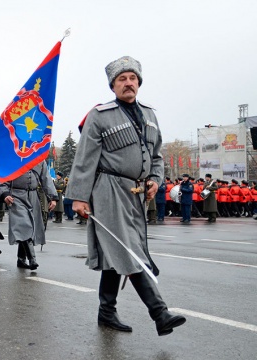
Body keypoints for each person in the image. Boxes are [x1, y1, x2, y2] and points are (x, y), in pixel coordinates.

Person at [68, 56, 186, 336]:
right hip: (108, 189)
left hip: (136, 193)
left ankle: (106, 312)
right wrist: (79, 197)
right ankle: (160, 313)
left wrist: (156, 180)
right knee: (125, 249)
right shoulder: (100, 115)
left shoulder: (150, 114)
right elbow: (84, 159)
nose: (128, 83)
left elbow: (156, 156)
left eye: (132, 78)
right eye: (122, 79)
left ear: (139, 83)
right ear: (113, 85)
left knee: (115, 252)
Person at [0, 161, 57, 270]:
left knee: (28, 227)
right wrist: (5, 194)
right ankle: (32, 259)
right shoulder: (12, 158)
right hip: (16, 196)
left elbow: (46, 178)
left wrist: (52, 197)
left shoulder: (39, 158)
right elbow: (3, 178)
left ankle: (21, 258)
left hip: (33, 196)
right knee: (23, 225)